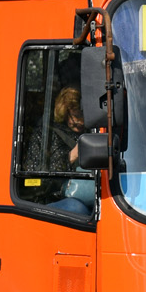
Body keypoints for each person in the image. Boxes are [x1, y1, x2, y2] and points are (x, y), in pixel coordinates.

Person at [22, 86, 93, 216]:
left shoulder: (89, 133)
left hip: (89, 194)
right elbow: (37, 180)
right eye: (77, 115)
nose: (81, 121)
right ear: (65, 113)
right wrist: (72, 156)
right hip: (51, 199)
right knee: (77, 208)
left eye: (84, 115)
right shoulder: (45, 135)